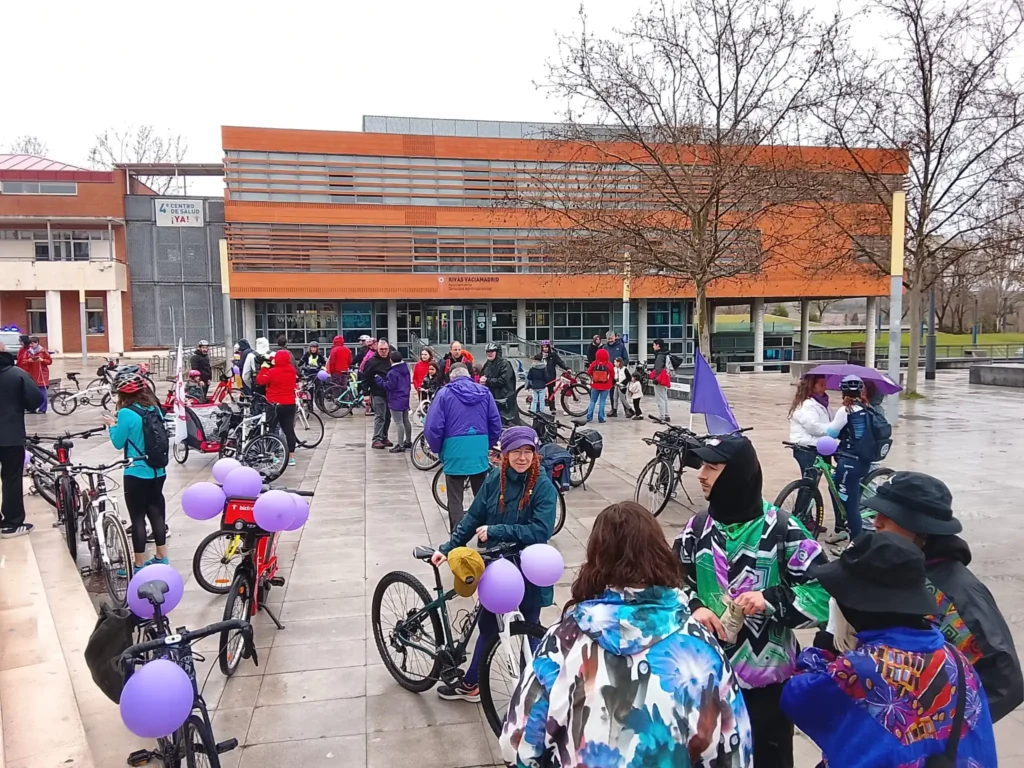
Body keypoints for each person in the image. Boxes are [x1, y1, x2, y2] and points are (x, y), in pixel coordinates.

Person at [502, 501, 754, 766]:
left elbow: (516, 744)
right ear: (659, 553)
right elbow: (734, 750)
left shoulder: (561, 644)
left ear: (596, 559)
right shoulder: (701, 648)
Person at [676, 433, 830, 768]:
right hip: (706, 681)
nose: (701, 474)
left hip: (766, 687)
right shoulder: (697, 527)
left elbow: (824, 594)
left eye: (712, 467)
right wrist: (694, 606)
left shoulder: (782, 529)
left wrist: (771, 599)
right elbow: (671, 581)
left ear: (736, 475)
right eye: (702, 465)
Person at [781, 532, 998, 767]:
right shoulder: (955, 659)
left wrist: (826, 642)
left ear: (860, 606)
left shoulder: (861, 667)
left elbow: (798, 696)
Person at [867, 471, 1023, 722]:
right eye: (877, 514)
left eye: (890, 517)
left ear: (922, 531)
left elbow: (1005, 682)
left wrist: (940, 731)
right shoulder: (896, 571)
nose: (877, 522)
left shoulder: (955, 596)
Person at [430, 427, 556, 702]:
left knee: (530, 626)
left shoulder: (543, 486)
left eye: (527, 452)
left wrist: (497, 530)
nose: (522, 458)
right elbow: (473, 516)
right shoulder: (494, 480)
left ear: (534, 455)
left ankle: (535, 693)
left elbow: (541, 530)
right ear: (505, 454)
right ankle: (473, 682)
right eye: (516, 452)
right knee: (488, 624)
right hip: (497, 568)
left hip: (528, 567)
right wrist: (448, 547)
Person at [102, 373, 168, 572]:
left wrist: (111, 426)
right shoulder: (155, 408)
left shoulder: (125, 413)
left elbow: (118, 442)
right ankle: (161, 556)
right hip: (159, 470)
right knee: (156, 513)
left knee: (137, 518)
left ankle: (139, 564)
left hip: (136, 472)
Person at [423, 363, 502, 529]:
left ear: (451, 377)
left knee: (455, 498)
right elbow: (495, 424)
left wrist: (438, 448)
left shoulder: (444, 394)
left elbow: (433, 427)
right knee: (482, 496)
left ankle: (458, 540)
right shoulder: (485, 393)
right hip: (478, 447)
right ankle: (484, 537)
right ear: (469, 375)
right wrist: (486, 445)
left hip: (454, 448)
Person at [0, 342, 43, 538]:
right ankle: (11, 523)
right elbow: (35, 400)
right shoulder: (16, 374)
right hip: (10, 435)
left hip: (10, 435)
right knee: (11, 478)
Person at [824, 374, 874, 544]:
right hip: (862, 460)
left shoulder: (846, 410)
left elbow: (831, 433)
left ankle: (855, 547)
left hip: (849, 462)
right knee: (835, 489)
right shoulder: (867, 407)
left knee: (851, 507)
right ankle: (843, 529)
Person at [787, 374, 833, 531]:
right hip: (807, 448)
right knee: (809, 484)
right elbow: (814, 426)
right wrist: (833, 430)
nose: (824, 388)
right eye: (821, 385)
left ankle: (807, 518)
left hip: (820, 447)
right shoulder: (807, 405)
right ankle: (799, 517)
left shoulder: (822, 404)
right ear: (812, 386)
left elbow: (828, 421)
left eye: (824, 384)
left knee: (813, 484)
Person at [256, 349, 299, 467]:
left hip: (274, 404)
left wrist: (264, 367)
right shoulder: (292, 370)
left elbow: (260, 380)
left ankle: (273, 455)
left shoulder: (273, 372)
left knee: (272, 429)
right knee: (289, 430)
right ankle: (291, 457)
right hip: (290, 404)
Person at [360, 339, 394, 449]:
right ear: (377, 349)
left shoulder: (391, 360)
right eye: (381, 349)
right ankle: (376, 439)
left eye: (385, 349)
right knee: (380, 416)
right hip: (377, 392)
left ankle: (384, 436)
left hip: (389, 392)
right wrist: (366, 394)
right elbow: (365, 378)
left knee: (388, 416)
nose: (384, 351)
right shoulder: (372, 362)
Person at [378, 349, 413, 453]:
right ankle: (408, 441)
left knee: (399, 422)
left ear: (391, 360)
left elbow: (389, 386)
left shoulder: (392, 372)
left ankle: (400, 444)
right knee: (406, 420)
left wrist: (379, 380)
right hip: (405, 397)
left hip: (395, 399)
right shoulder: (405, 368)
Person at [479, 342, 518, 424]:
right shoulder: (487, 364)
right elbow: (483, 375)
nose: (489, 353)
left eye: (492, 351)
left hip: (504, 399)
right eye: (488, 351)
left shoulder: (505, 364)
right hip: (492, 397)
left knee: (506, 422)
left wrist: (488, 381)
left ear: (497, 352)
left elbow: (503, 380)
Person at [17, 335, 52, 413]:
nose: (31, 345)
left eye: (33, 343)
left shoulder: (43, 351)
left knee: (42, 391)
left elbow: (49, 361)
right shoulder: (28, 352)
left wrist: (42, 360)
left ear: (37, 343)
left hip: (41, 374)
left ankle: (43, 408)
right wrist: (29, 361)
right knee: (32, 392)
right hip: (31, 373)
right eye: (30, 344)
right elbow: (23, 361)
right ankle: (32, 408)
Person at [585, 347, 613, 423]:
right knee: (602, 401)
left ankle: (589, 417)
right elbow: (612, 375)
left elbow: (589, 372)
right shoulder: (609, 364)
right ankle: (601, 418)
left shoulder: (594, 363)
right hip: (605, 385)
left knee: (592, 401)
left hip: (595, 385)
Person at [539, 340, 566, 414]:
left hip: (551, 376)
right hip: (541, 377)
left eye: (546, 347)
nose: (545, 349)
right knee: (541, 392)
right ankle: (539, 407)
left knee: (551, 392)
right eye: (543, 347)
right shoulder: (539, 356)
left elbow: (560, 362)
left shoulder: (553, 355)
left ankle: (552, 408)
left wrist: (567, 368)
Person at [650, 338, 671, 421]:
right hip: (665, 378)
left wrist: (655, 379)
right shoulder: (666, 354)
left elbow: (658, 369)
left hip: (659, 379)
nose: (653, 347)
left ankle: (662, 416)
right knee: (664, 397)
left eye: (654, 345)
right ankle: (666, 414)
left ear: (658, 346)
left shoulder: (660, 356)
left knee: (660, 398)